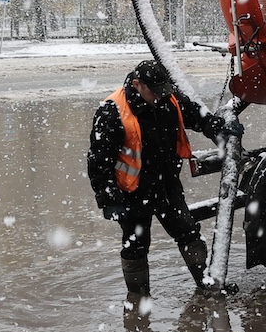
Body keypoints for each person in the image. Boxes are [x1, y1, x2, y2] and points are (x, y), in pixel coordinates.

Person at [87, 59, 221, 298]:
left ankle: (206, 284)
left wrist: (214, 126)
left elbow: (195, 114)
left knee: (189, 232)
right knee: (136, 246)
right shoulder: (112, 111)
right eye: (156, 92)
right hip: (132, 192)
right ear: (138, 84)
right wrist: (107, 199)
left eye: (164, 91)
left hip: (167, 185)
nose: (161, 97)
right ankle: (138, 298)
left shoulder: (168, 98)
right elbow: (98, 161)